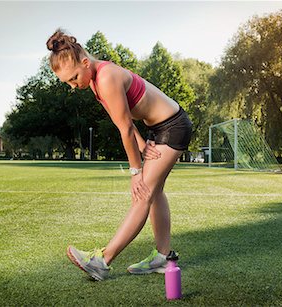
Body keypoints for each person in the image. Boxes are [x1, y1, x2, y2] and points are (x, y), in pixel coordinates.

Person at [46, 29, 192, 281]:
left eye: (74, 78)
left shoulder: (106, 78)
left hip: (173, 126)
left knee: (142, 192)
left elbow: (125, 127)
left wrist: (136, 171)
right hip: (158, 128)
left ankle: (102, 261)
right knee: (154, 192)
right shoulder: (93, 81)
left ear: (84, 63)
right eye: (67, 83)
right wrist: (142, 144)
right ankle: (162, 256)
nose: (73, 86)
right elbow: (122, 122)